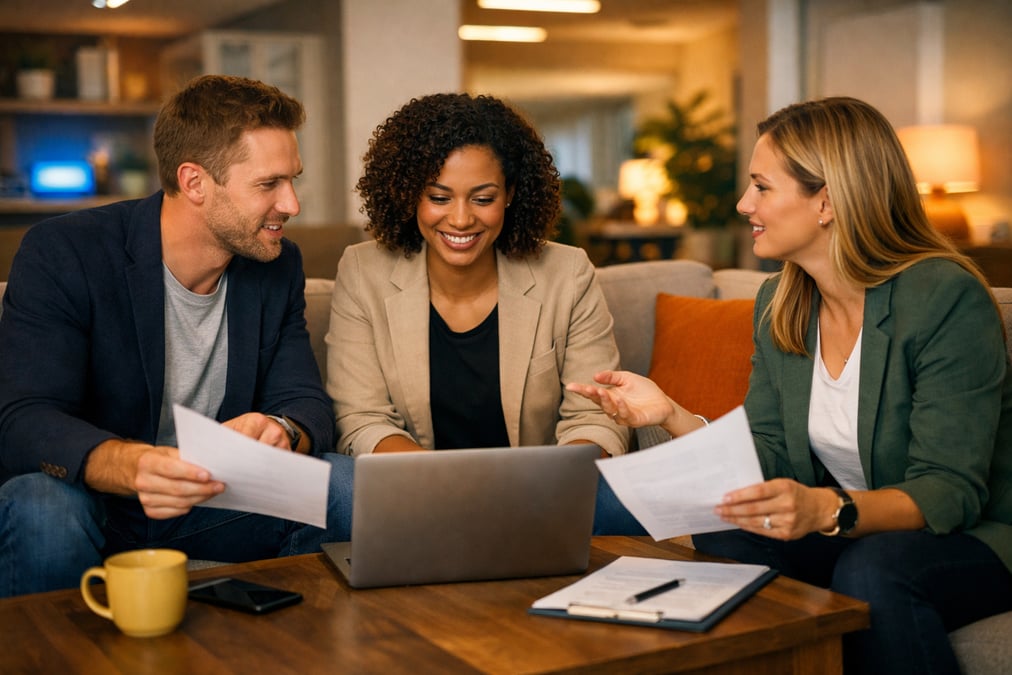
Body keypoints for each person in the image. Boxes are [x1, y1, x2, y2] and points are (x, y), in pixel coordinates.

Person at [567, 96, 1012, 673]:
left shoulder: (942, 298)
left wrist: (825, 509)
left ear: (826, 201)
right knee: (724, 534)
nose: (743, 203)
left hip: (972, 534)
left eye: (761, 186)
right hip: (853, 529)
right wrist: (671, 414)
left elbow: (948, 491)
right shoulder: (782, 301)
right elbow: (770, 453)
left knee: (873, 570)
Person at [0, 75, 353, 597]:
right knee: (41, 506)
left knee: (345, 484)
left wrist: (282, 429)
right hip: (95, 501)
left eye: (293, 180)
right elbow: (23, 418)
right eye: (269, 184)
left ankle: (288, 636)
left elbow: (304, 400)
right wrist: (131, 464)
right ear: (194, 182)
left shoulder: (278, 266)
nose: (292, 204)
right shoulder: (65, 251)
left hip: (215, 501)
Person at [326, 92, 639, 533]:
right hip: (421, 495)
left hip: (540, 496)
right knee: (337, 482)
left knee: (634, 496)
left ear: (510, 194)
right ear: (409, 194)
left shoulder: (567, 273)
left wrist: (540, 489)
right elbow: (362, 418)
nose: (460, 220)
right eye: (439, 197)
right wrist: (455, 490)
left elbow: (593, 417)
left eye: (482, 198)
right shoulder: (363, 271)